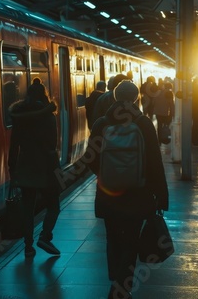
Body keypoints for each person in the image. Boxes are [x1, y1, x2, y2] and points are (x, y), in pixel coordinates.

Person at [85, 80, 169, 299]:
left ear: (114, 97)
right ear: (135, 98)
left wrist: (107, 176)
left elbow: (90, 160)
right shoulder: (143, 124)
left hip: (109, 195)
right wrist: (161, 197)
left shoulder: (101, 124)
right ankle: (122, 288)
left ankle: (116, 281)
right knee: (131, 241)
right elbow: (154, 164)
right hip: (137, 195)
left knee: (113, 239)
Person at [8, 78, 62, 258]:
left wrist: (12, 167)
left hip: (25, 164)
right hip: (47, 165)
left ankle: (28, 247)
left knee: (27, 208)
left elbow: (14, 144)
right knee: (54, 204)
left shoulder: (19, 117)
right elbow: (52, 144)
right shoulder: (48, 116)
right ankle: (45, 236)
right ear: (44, 96)